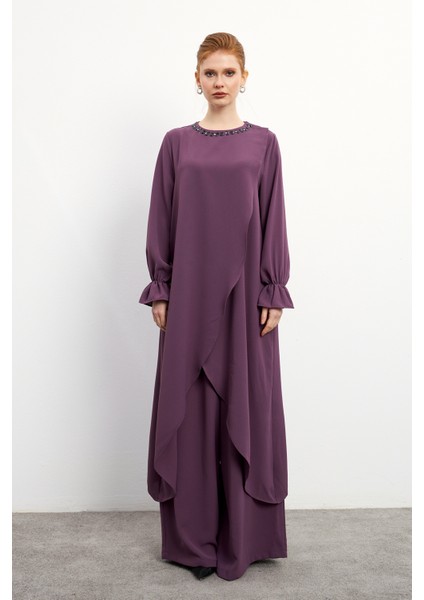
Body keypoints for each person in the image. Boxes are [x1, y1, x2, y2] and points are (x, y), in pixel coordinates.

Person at [139, 32, 295, 582]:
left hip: (246, 295)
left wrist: (273, 288)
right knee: (191, 407)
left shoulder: (265, 143)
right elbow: (162, 213)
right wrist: (161, 285)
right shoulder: (176, 144)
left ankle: (244, 538)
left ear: (244, 78)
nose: (220, 82)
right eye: (211, 73)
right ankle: (193, 540)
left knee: (245, 405)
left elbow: (273, 215)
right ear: (197, 79)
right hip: (188, 294)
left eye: (229, 72)